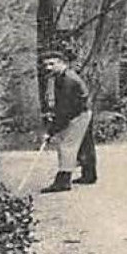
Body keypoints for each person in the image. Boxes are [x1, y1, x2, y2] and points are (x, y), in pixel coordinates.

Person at [39, 50, 93, 194]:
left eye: (52, 63)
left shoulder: (68, 80)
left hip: (78, 114)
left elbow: (64, 110)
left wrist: (52, 131)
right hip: (79, 111)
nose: (48, 67)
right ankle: (89, 175)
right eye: (46, 65)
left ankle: (63, 181)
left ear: (62, 63)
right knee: (83, 143)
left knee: (66, 145)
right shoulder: (61, 77)